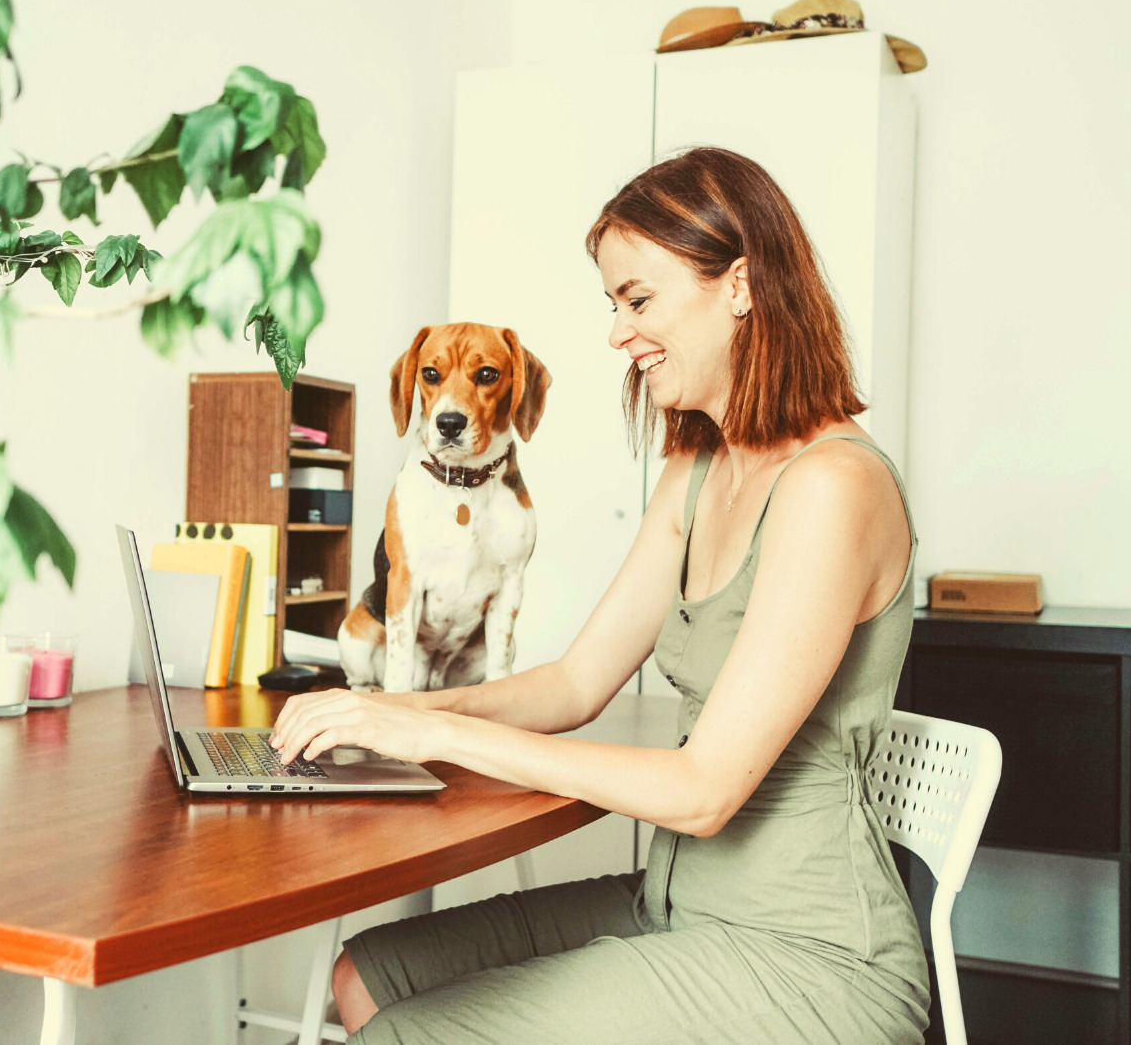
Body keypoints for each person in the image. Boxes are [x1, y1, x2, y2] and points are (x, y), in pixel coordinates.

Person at [269, 146, 930, 1045]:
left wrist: (433, 731)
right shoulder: (699, 466)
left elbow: (703, 791)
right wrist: (383, 710)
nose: (618, 333)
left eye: (639, 299)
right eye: (614, 305)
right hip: (672, 902)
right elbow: (577, 684)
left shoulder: (832, 488)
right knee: (367, 972)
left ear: (740, 284)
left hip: (810, 955)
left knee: (402, 1032)